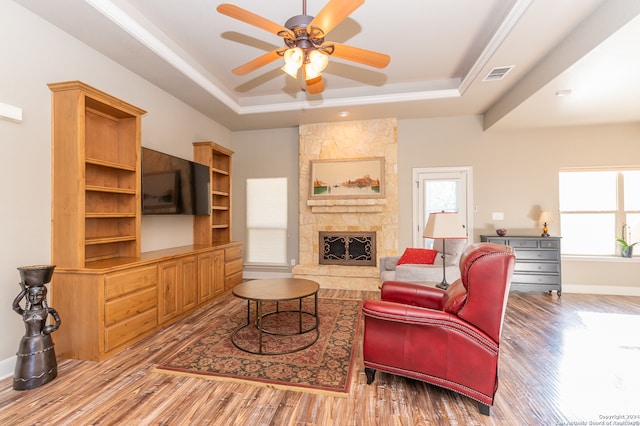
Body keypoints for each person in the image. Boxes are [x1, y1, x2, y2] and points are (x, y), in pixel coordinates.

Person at [12, 281, 61, 390]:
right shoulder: (26, 313)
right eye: (31, 295)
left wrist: (53, 327)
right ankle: (27, 382)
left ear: (43, 296)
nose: (34, 298)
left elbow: (57, 320)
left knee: (45, 363)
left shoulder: (46, 311)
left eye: (38, 295)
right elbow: (15, 306)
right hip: (28, 341)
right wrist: (23, 291)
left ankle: (46, 376)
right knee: (25, 366)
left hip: (43, 338)